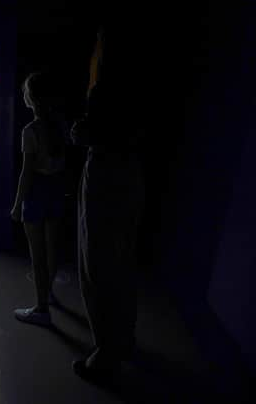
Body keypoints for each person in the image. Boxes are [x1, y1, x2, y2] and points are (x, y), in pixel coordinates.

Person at [70, 27, 145, 383]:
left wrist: (82, 133)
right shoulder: (139, 81)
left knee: (96, 261)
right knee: (121, 256)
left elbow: (101, 133)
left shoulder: (106, 89)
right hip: (130, 172)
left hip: (105, 171)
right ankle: (123, 339)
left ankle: (105, 352)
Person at [10, 72, 67, 327]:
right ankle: (50, 294)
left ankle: (41, 308)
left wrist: (16, 204)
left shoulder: (30, 131)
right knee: (52, 249)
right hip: (56, 190)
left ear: (31, 98)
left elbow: (27, 172)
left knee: (37, 255)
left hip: (36, 193)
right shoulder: (60, 126)